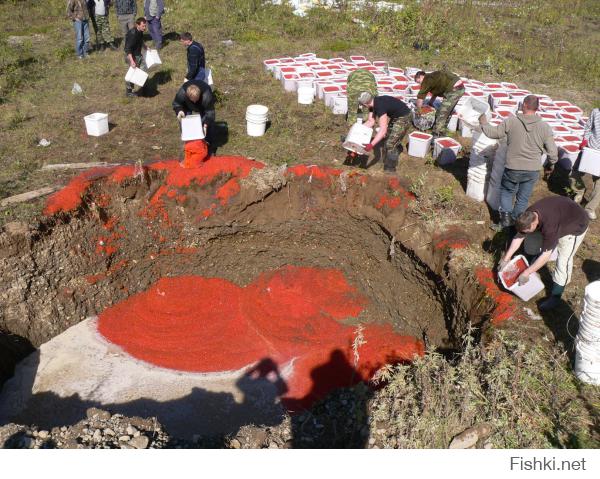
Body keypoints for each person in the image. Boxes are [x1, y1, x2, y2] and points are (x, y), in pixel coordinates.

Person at [479, 95, 558, 231]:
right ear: (537, 108)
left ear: (524, 105)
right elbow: (553, 152)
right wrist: (551, 165)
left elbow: (493, 133)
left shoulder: (512, 121)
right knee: (523, 198)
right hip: (532, 170)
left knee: (507, 192)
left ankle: (505, 222)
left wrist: (484, 123)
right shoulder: (545, 127)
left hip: (513, 168)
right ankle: (516, 223)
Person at [499, 196, 589, 311]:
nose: (524, 233)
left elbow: (546, 255)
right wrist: (506, 258)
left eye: (527, 231)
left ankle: (556, 296)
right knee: (532, 243)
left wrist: (526, 273)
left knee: (563, 260)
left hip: (575, 225)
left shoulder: (549, 227)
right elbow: (519, 236)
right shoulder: (528, 215)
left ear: (534, 224)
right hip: (560, 213)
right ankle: (533, 267)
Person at [358, 92, 412, 174]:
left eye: (362, 105)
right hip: (396, 117)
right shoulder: (372, 104)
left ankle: (390, 168)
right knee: (388, 138)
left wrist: (371, 145)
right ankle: (390, 153)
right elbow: (370, 121)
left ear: (365, 104)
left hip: (404, 117)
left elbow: (383, 130)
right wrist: (356, 131)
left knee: (390, 144)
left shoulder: (380, 106)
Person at [414, 69, 465, 137]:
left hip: (454, 89)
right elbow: (436, 92)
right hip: (460, 88)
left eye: (419, 82)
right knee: (447, 111)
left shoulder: (426, 79)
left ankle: (437, 134)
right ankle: (442, 129)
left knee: (442, 113)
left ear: (421, 76)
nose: (420, 84)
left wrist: (419, 109)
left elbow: (420, 97)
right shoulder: (433, 78)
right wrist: (430, 102)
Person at [570, 107, 600, 220]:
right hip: (590, 149)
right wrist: (585, 141)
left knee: (599, 183)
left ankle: (590, 208)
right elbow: (588, 127)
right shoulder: (596, 112)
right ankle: (579, 191)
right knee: (574, 174)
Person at [172, 80, 216, 144]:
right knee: (185, 122)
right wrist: (179, 110)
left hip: (202, 105)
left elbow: (210, 112)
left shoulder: (206, 95)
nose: (195, 102)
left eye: (196, 99)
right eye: (193, 100)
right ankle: (189, 142)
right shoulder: (182, 93)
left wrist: (206, 124)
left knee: (207, 124)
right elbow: (176, 103)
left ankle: (208, 143)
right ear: (187, 95)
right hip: (187, 105)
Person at [124, 18, 148, 98]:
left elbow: (140, 40)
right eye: (143, 26)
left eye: (145, 26)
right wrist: (132, 61)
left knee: (144, 70)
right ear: (137, 25)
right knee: (132, 73)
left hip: (138, 54)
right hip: (132, 56)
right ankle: (129, 92)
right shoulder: (132, 34)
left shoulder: (140, 31)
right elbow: (127, 49)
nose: (145, 28)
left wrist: (145, 47)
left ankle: (143, 88)